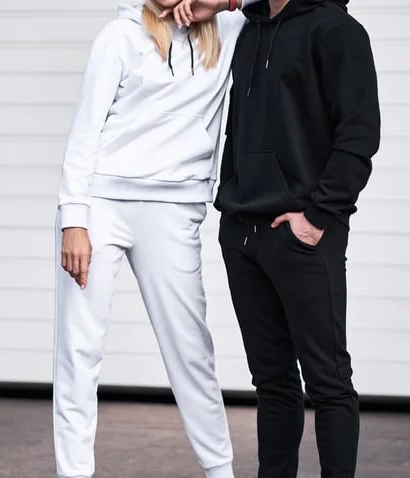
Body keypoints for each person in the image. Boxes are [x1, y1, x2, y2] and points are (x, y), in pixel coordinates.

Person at [53, 1, 252, 477]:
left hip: (174, 209)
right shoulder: (119, 37)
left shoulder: (228, 29)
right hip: (102, 205)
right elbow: (85, 132)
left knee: (190, 350)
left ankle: (220, 471)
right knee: (79, 351)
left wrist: (213, 2)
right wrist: (74, 219)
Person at [192, 0, 379, 476]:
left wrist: (318, 217)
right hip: (243, 234)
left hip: (303, 237)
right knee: (273, 384)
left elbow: (359, 135)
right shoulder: (248, 30)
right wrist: (230, 205)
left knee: (328, 383)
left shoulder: (338, 31)